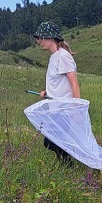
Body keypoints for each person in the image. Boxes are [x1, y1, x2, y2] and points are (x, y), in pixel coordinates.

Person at [34, 20, 80, 161]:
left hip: (64, 109)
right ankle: (67, 166)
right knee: (53, 142)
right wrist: (46, 91)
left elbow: (74, 84)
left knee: (51, 142)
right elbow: (60, 82)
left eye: (41, 38)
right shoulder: (54, 57)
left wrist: (76, 110)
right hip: (55, 108)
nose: (39, 41)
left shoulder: (63, 56)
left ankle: (69, 165)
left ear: (50, 38)